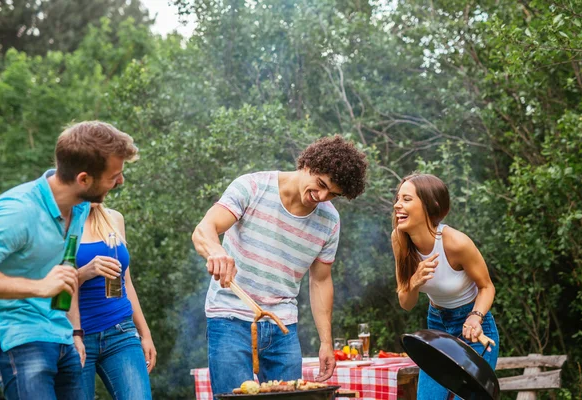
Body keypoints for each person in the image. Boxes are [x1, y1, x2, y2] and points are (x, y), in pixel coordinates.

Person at [192, 135, 368, 395]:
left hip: (283, 326)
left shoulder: (330, 220)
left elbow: (320, 281)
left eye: (333, 193)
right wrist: (216, 251)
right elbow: (204, 229)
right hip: (230, 317)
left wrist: (326, 342)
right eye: (320, 184)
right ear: (308, 163)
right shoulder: (252, 186)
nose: (322, 196)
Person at [0, 121, 138, 400]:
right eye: (114, 176)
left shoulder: (79, 207)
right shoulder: (18, 211)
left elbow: (66, 272)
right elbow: (47, 283)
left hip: (62, 338)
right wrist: (38, 287)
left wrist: (75, 332)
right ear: (84, 179)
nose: (120, 181)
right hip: (20, 341)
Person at [391, 173, 500, 399]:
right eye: (398, 198)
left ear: (431, 205)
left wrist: (475, 317)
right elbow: (406, 303)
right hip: (437, 328)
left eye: (407, 199)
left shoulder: (456, 243)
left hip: (475, 330)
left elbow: (487, 287)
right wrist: (414, 282)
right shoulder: (399, 239)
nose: (397, 205)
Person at [76, 203, 156, 400]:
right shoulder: (60, 224)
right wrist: (85, 273)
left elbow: (126, 283)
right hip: (75, 337)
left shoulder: (114, 218)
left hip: (120, 331)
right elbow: (52, 286)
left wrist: (145, 334)